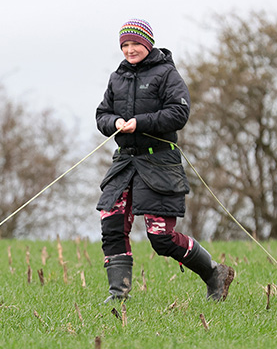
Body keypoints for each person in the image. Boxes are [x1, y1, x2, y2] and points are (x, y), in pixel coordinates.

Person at [95, 19, 234, 303]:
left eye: (135, 44)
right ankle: (119, 295)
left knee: (161, 236)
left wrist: (140, 123)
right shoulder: (116, 77)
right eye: (125, 45)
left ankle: (214, 274)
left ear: (147, 44)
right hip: (124, 163)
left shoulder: (167, 74)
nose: (130, 50)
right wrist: (115, 122)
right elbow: (101, 115)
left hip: (159, 164)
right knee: (111, 223)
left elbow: (179, 113)